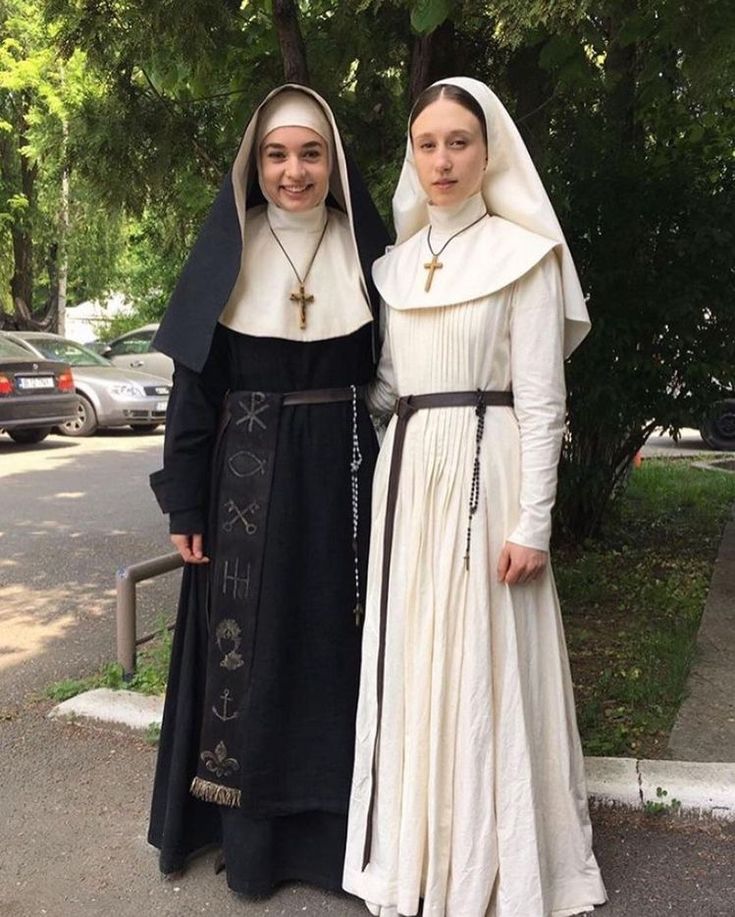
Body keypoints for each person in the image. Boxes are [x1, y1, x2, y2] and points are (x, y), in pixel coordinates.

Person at [342, 77, 608, 916]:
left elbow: (542, 402)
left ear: (488, 151)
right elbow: (386, 389)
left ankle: (494, 861)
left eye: (458, 141)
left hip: (485, 482)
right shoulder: (390, 268)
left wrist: (533, 520)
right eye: (427, 143)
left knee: (486, 660)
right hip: (409, 479)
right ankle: (416, 854)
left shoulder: (524, 256)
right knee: (416, 655)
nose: (442, 159)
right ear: (411, 155)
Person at [147, 84, 388, 898]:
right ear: (256, 165)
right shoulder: (230, 251)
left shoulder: (368, 253)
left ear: (333, 163)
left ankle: (337, 843)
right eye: (278, 155)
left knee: (335, 649)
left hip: (346, 486)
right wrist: (183, 500)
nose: (294, 172)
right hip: (242, 479)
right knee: (244, 662)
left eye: (310, 153)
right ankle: (248, 844)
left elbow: (397, 378)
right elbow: (194, 389)